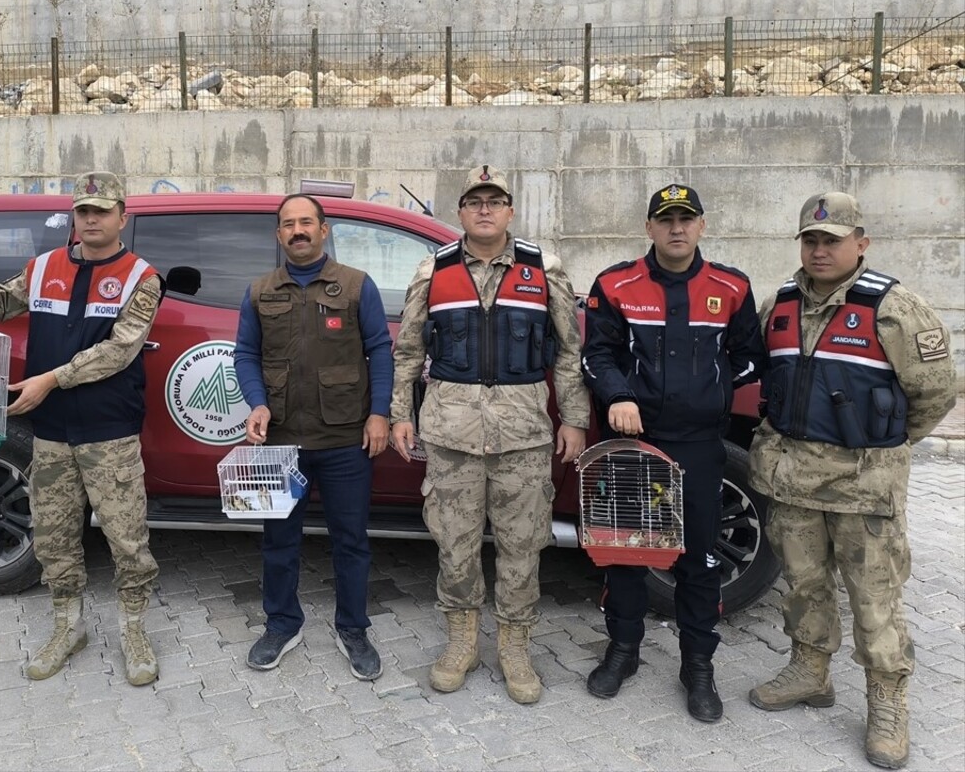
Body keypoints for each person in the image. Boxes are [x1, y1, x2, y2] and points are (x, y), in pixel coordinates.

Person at [0, 171, 163, 687]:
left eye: (102, 211)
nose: (92, 219)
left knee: (127, 541)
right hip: (52, 433)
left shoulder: (141, 277)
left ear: (122, 216)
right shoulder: (44, 267)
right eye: (83, 211)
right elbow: (3, 297)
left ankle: (134, 630)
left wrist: (51, 380)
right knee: (55, 539)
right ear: (74, 217)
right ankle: (67, 626)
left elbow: (119, 350)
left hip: (109, 432)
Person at [747, 192, 956, 769]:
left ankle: (887, 702)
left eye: (832, 240)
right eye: (810, 240)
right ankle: (811, 672)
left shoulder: (894, 309)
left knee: (874, 597)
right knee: (804, 585)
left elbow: (935, 392)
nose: (819, 250)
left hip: (863, 484)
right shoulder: (780, 305)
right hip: (793, 482)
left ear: (860, 244)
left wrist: (885, 445)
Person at [391, 165, 589, 705]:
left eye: (494, 201)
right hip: (450, 434)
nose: (484, 209)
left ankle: (515, 646)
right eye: (474, 201)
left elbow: (569, 352)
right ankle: (461, 642)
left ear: (509, 210)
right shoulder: (433, 270)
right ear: (460, 212)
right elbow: (408, 351)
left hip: (523, 436)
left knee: (522, 548)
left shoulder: (543, 269)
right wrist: (400, 414)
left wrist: (573, 418)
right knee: (454, 548)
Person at [579, 183, 766, 722]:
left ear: (702, 226)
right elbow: (597, 355)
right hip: (634, 444)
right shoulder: (616, 284)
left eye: (687, 219)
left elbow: (749, 358)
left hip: (702, 446)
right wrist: (618, 395)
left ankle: (698, 666)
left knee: (700, 560)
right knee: (628, 553)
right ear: (649, 228)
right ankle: (623, 651)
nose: (676, 228)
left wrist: (710, 393)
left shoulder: (731, 287)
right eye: (666, 220)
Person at [233, 193, 393, 681]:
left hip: (345, 439)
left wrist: (379, 414)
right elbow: (245, 354)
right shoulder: (260, 291)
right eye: (288, 224)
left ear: (325, 230)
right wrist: (257, 401)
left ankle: (354, 629)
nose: (297, 231)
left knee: (351, 541)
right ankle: (282, 624)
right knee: (278, 540)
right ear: (278, 235)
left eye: (306, 222)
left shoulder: (355, 286)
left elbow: (380, 350)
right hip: (281, 441)